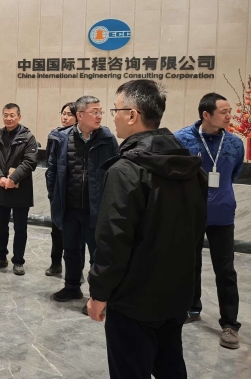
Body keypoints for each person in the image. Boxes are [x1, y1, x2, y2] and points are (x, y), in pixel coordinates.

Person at [87, 80, 207, 379]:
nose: (112, 117)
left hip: (133, 300)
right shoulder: (191, 168)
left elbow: (113, 240)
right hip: (176, 293)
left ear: (132, 115)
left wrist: (99, 293)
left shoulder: (125, 170)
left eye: (115, 110)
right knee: (170, 367)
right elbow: (195, 236)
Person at [174, 93, 244, 350]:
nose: (229, 116)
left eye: (229, 111)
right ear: (206, 114)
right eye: (224, 112)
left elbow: (234, 172)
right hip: (190, 212)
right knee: (188, 263)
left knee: (225, 269)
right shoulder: (182, 139)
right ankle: (191, 308)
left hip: (222, 214)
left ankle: (230, 324)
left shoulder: (235, 143)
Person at [46, 95, 118, 309]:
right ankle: (71, 287)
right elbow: (52, 170)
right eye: (94, 112)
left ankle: (96, 296)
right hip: (69, 207)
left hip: (96, 209)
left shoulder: (107, 138)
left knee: (97, 254)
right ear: (80, 115)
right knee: (70, 251)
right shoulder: (62, 138)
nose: (99, 116)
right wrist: (54, 196)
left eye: (100, 112)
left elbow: (115, 171)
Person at [0, 103, 38, 275]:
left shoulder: (28, 137)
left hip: (21, 190)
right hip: (1, 187)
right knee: (1, 226)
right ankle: (0, 258)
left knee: (20, 228)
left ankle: (18, 261)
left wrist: (13, 178)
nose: (8, 118)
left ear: (19, 117)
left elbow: (30, 162)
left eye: (12, 115)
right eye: (5, 115)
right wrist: (0, 177)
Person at [44, 102, 77, 277]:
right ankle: (55, 263)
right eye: (63, 113)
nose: (65, 117)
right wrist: (51, 190)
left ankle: (75, 269)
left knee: (75, 233)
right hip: (58, 191)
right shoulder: (55, 135)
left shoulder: (82, 136)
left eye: (69, 114)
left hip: (74, 192)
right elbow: (51, 165)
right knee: (57, 229)